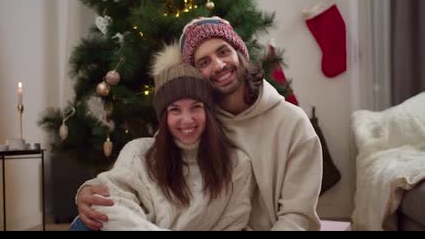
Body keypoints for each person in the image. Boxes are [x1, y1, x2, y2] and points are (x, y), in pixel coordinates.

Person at [75, 16, 323, 231]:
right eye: (204, 62)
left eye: (223, 51)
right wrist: (89, 189)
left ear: (240, 53)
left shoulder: (293, 124)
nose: (218, 65)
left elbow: (297, 216)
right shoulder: (198, 117)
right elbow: (151, 161)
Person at [70, 43, 254, 231]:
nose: (187, 120)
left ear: (208, 112)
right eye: (175, 110)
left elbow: (234, 224)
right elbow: (107, 205)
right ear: (164, 116)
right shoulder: (138, 152)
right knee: (85, 225)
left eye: (196, 107)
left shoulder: (237, 164)